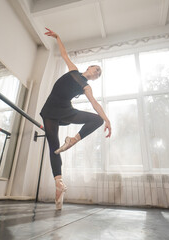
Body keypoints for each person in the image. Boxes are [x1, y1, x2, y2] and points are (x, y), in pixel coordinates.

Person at [40, 28, 112, 210]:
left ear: (95, 79)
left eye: (98, 74)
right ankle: (59, 184)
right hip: (50, 111)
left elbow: (95, 104)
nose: (96, 73)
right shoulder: (73, 70)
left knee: (97, 120)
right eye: (96, 69)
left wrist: (108, 120)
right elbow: (63, 53)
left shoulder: (87, 87)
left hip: (66, 111)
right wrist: (58, 37)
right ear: (89, 67)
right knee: (54, 148)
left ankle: (72, 141)